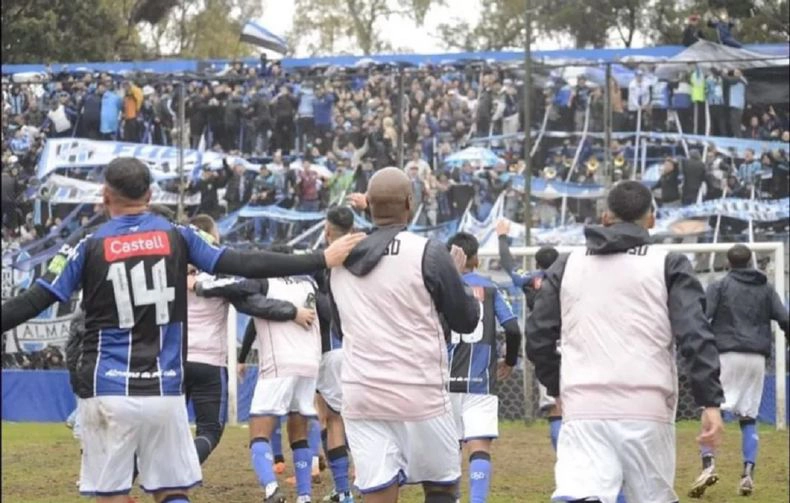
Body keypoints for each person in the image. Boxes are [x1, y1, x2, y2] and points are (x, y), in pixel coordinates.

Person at [0, 157, 363, 503]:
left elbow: (33, 301)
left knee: (111, 492)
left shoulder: (86, 246)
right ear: (150, 196)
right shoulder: (180, 236)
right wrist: (317, 259)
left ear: (105, 196)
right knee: (173, 490)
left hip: (108, 389)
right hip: (164, 389)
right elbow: (244, 262)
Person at [525, 181, 725, 503]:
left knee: (578, 493)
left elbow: (538, 335)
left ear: (605, 217)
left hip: (584, 404)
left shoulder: (566, 264)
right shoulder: (668, 263)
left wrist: (558, 384)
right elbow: (694, 334)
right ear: (652, 220)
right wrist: (710, 402)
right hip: (647, 406)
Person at [329, 167, 480, 503]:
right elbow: (466, 320)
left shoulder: (338, 259)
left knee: (378, 490)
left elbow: (340, 328)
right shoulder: (428, 252)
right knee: (441, 486)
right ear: (410, 203)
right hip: (419, 392)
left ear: (367, 204)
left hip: (362, 392)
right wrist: (456, 278)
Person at [689, 244, 789, 498]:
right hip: (756, 357)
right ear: (750, 261)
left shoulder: (719, 286)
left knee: (710, 408)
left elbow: (704, 316)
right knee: (749, 416)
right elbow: (784, 318)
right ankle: (747, 474)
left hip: (726, 353)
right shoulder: (766, 289)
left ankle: (708, 465)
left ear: (729, 263)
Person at [233, 268, 322, 503]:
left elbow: (252, 311)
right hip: (310, 362)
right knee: (299, 434)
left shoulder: (263, 281)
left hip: (280, 362)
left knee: (259, 431)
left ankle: (272, 489)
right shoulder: (308, 283)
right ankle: (304, 497)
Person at [445, 232, 521, 503]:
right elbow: (512, 328)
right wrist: (510, 361)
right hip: (481, 381)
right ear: (475, 258)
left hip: (445, 381)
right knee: (478, 446)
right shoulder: (489, 289)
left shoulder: (442, 288)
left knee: (449, 448)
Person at [314, 207, 356, 503]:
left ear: (328, 231)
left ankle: (344, 490)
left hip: (332, 352)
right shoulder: (366, 254)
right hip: (365, 346)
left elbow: (323, 306)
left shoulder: (322, 261)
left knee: (334, 420)